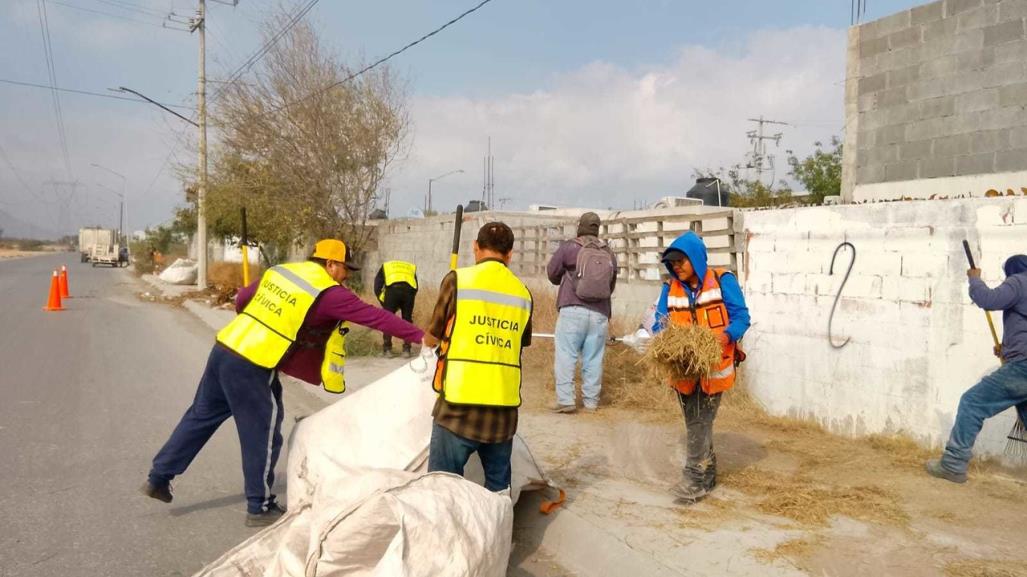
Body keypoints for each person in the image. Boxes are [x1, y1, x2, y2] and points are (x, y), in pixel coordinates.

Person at [141, 239, 424, 526]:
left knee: (200, 417)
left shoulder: (281, 272)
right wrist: (422, 336)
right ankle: (259, 505)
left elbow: (242, 300)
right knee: (262, 435)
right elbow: (375, 317)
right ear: (330, 264)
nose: (346, 275)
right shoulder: (329, 293)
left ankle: (159, 478)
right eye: (344, 268)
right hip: (255, 362)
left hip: (226, 347)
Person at [422, 222, 532, 494]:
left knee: (442, 487)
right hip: (503, 411)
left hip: (458, 407)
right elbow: (521, 341)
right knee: (497, 490)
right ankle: (496, 534)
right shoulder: (523, 293)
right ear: (510, 255)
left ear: (475, 248)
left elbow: (433, 336)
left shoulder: (457, 280)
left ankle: (445, 535)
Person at [653, 231, 750, 504]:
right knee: (696, 423)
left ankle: (694, 480)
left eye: (680, 262)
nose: (676, 267)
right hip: (683, 371)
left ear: (695, 259)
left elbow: (742, 316)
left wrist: (726, 336)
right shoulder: (668, 288)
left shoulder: (722, 281)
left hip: (714, 367)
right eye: (672, 263)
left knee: (699, 422)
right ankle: (707, 476)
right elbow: (660, 321)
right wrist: (660, 339)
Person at [927, 254, 1027, 484]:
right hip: (1021, 361)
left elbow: (987, 299)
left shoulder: (1019, 281)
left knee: (972, 403)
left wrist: (975, 279)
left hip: (1022, 367)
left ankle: (952, 464)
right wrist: (1008, 349)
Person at [546, 212, 617, 413]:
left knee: (566, 355)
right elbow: (611, 284)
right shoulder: (609, 253)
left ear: (580, 226)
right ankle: (591, 403)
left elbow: (552, 273)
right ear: (597, 228)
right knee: (593, 358)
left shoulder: (569, 247)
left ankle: (566, 400)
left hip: (572, 309)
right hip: (600, 313)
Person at [374, 260, 419, 358]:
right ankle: (406, 350)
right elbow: (416, 287)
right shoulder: (411, 267)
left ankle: (387, 350)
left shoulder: (385, 266)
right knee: (407, 319)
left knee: (388, 319)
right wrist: (409, 299)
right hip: (409, 292)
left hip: (392, 291)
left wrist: (384, 302)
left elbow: (377, 286)